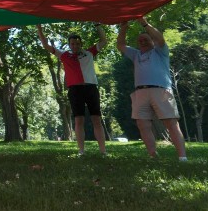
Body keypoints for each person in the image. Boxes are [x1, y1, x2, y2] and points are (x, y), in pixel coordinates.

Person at [117, 18, 187, 161]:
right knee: (143, 124)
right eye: (140, 40)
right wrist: (123, 28)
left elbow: (160, 38)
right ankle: (153, 155)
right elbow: (120, 45)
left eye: (146, 39)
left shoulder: (160, 51)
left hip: (161, 91)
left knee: (171, 124)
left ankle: (182, 157)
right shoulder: (136, 55)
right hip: (140, 92)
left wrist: (144, 23)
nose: (142, 41)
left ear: (152, 41)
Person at [37, 24, 108, 156]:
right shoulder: (64, 55)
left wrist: (98, 25)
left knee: (96, 119)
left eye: (77, 43)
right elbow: (46, 46)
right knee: (78, 120)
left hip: (91, 87)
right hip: (75, 90)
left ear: (81, 44)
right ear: (69, 45)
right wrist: (40, 29)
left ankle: (103, 151)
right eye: (72, 43)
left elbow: (104, 41)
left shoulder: (89, 53)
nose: (75, 45)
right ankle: (81, 151)